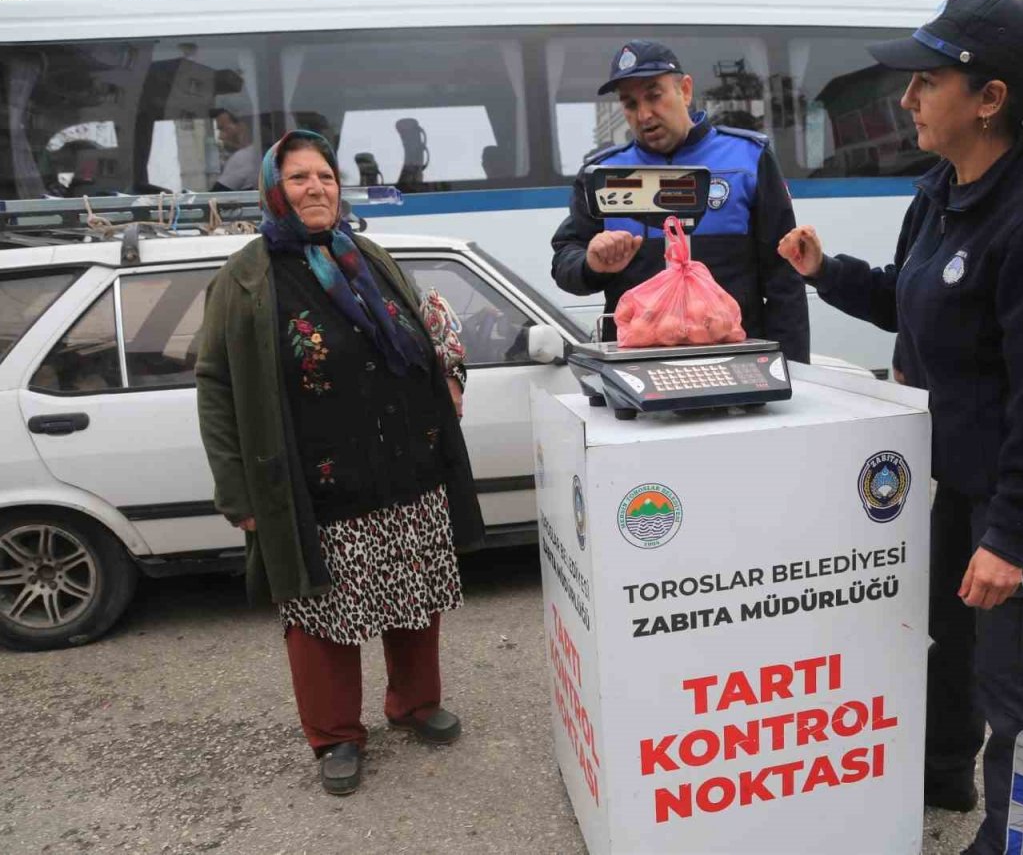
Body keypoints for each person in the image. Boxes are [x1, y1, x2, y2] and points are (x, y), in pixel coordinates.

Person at [777, 0, 1023, 854]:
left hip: (1022, 492)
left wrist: (1017, 536)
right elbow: (914, 301)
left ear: (990, 98)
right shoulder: (943, 191)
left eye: (927, 81)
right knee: (945, 646)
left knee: (1016, 682)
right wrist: (827, 271)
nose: (907, 100)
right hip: (958, 477)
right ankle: (940, 780)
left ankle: (1018, 839)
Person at [195, 130, 483, 796]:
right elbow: (215, 386)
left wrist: (448, 374)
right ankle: (335, 737)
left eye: (324, 175)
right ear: (274, 190)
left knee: (413, 595)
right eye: (298, 178)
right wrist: (237, 490)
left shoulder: (370, 256)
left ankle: (413, 705)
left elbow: (426, 330)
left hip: (407, 468)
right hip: (318, 485)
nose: (316, 188)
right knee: (322, 613)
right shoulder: (246, 278)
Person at [550, 40, 810, 363]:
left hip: (735, 365)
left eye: (654, 95)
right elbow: (564, 260)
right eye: (630, 104)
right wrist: (591, 265)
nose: (644, 114)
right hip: (638, 371)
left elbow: (785, 277)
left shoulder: (748, 159)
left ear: (685, 91)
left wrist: (792, 371)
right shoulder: (602, 175)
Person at [211, 105, 261, 191]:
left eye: (223, 129)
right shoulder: (258, 153)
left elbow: (215, 196)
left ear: (242, 127)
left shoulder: (242, 157)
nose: (220, 137)